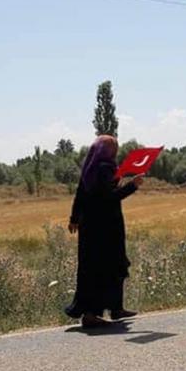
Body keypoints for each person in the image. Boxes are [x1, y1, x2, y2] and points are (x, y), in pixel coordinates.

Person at [66, 136, 144, 328]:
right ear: (106, 150)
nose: (116, 149)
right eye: (113, 146)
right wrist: (132, 186)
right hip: (106, 228)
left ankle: (115, 309)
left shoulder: (91, 168)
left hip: (90, 228)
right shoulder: (104, 168)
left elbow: (80, 194)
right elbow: (109, 198)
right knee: (108, 266)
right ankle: (92, 314)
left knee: (95, 267)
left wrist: (74, 218)